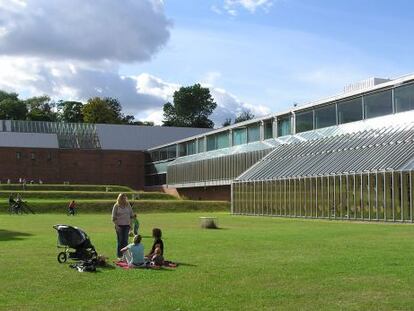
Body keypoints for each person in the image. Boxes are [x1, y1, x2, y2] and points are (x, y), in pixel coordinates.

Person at [112, 193, 134, 259]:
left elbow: (131, 215)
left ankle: (125, 256)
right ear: (119, 199)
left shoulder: (128, 205)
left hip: (127, 225)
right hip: (119, 226)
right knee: (120, 241)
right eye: (122, 198)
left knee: (125, 241)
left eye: (125, 198)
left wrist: (131, 225)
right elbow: (113, 217)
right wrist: (116, 225)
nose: (124, 200)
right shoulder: (116, 206)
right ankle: (119, 255)